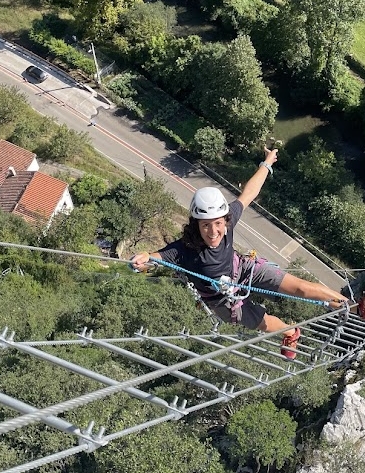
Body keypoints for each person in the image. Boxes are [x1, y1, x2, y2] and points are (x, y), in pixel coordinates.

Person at [130, 148, 349, 359]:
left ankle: (354, 306)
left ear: (225, 220)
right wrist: (142, 258)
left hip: (243, 269)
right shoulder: (185, 249)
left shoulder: (229, 219)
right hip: (222, 301)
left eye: (217, 224)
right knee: (264, 323)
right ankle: (291, 333)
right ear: (196, 224)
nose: (213, 232)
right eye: (205, 225)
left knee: (300, 287)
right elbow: (155, 257)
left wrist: (267, 163)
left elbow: (249, 193)